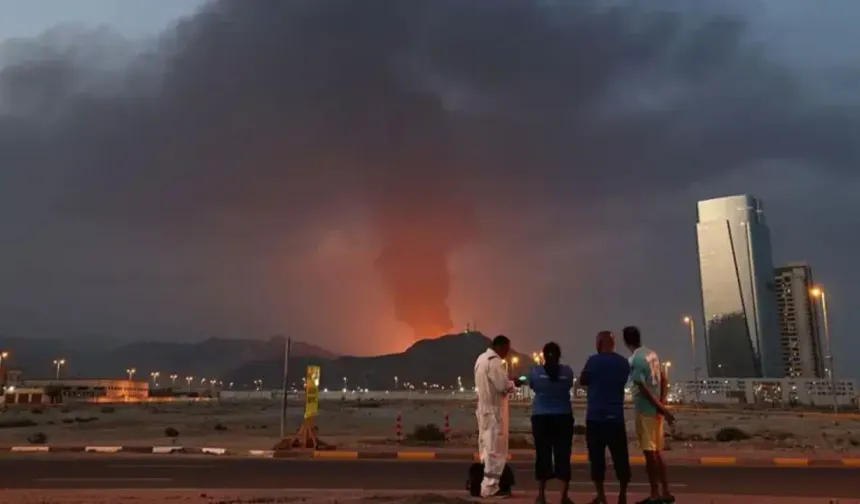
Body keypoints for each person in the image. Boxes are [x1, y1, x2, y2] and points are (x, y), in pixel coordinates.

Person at [623, 326, 675, 504]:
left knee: (650, 454)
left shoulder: (635, 359)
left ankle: (655, 494)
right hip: (656, 412)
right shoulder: (653, 354)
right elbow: (664, 379)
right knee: (658, 452)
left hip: (646, 411)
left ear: (625, 341)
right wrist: (662, 404)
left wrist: (660, 408)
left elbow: (642, 388)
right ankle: (666, 491)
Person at [579, 331, 632, 504]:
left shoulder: (593, 361)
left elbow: (583, 380)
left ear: (600, 343)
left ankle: (601, 496)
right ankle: (622, 495)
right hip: (616, 418)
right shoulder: (623, 363)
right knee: (621, 457)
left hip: (595, 417)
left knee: (596, 459)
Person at [528, 341, 575, 504]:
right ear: (559, 355)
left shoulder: (536, 372)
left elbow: (533, 386)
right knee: (563, 455)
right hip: (563, 417)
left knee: (543, 455)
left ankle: (541, 495)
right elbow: (568, 385)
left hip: (541, 418)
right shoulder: (567, 372)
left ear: (543, 355)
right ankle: (563, 496)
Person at [474, 334, 516, 498]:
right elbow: (501, 386)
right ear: (500, 347)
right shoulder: (494, 361)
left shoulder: (480, 359)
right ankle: (490, 488)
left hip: (484, 410)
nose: (507, 352)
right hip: (494, 412)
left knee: (486, 448)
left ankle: (487, 485)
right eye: (506, 349)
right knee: (495, 451)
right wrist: (513, 383)